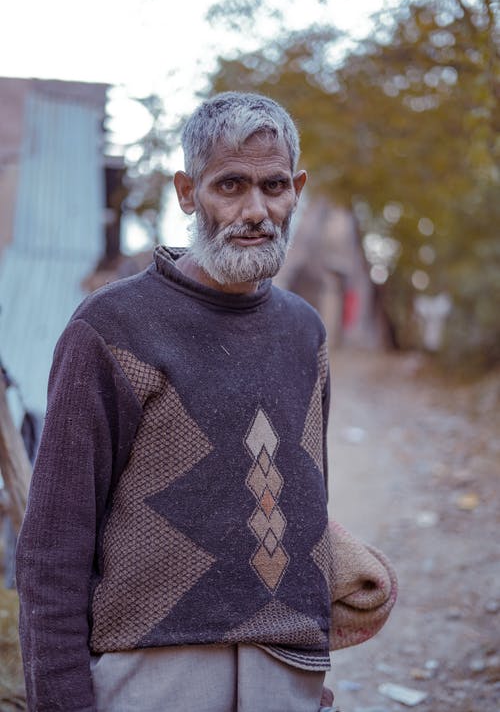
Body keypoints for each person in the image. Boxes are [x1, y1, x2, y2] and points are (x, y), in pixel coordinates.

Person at [16, 92, 333, 712]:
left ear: (297, 188)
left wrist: (314, 649)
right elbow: (53, 545)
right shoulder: (113, 327)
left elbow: (307, 496)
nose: (256, 211)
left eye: (273, 186)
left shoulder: (306, 332)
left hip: (286, 666)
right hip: (154, 672)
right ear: (188, 194)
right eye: (230, 186)